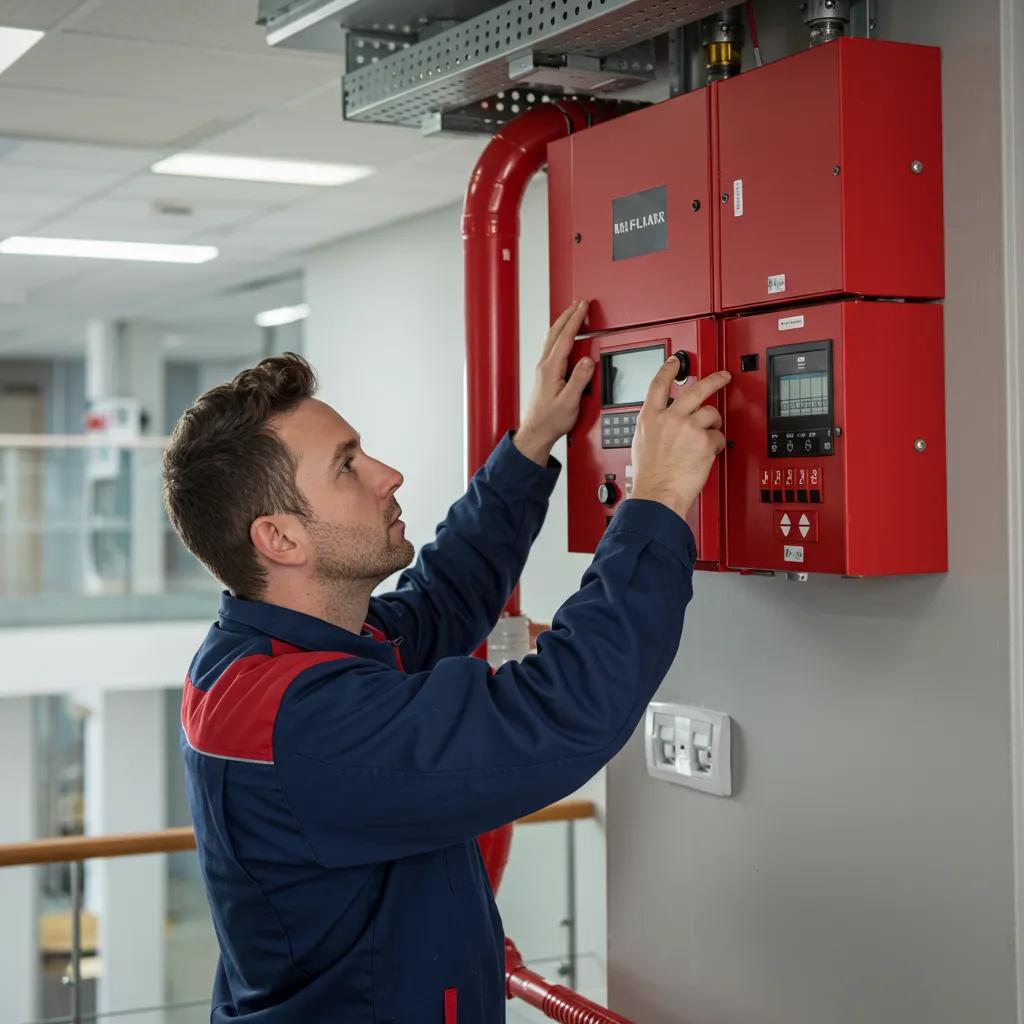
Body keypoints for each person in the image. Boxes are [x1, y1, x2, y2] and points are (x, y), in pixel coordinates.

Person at [162, 299, 730, 1024]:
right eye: (347, 468)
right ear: (280, 539)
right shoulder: (298, 721)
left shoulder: (285, 654)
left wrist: (530, 445)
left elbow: (440, 601)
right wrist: (655, 501)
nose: (388, 474)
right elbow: (557, 713)